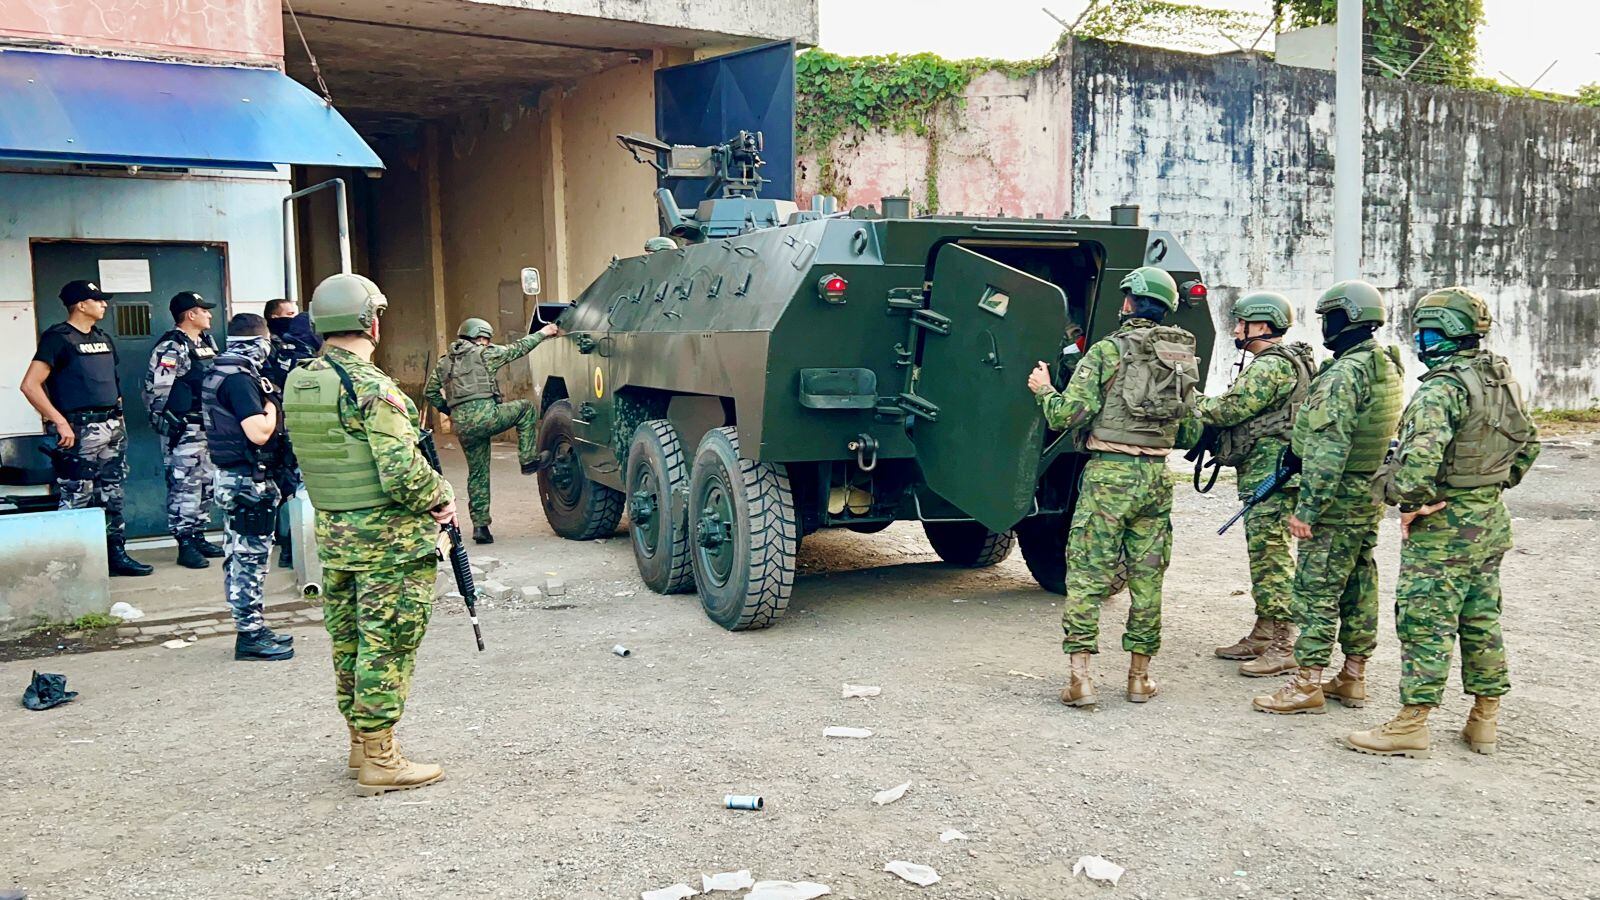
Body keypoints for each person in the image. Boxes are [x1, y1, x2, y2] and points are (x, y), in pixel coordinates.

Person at [1345, 287, 1539, 758]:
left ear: (1447, 332)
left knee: (1425, 622)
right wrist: (1485, 487)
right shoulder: (1499, 377)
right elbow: (1528, 445)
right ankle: (1483, 720)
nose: (1420, 339)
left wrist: (1409, 500)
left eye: (1427, 330)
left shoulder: (1442, 388)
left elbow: (1413, 472)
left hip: (1445, 530)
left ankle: (1412, 723)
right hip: (1489, 518)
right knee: (1480, 618)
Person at [283, 272, 456, 796]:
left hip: (336, 535)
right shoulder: (373, 388)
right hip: (389, 544)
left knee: (351, 640)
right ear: (370, 321)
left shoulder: (304, 380)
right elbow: (402, 473)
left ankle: (361, 745)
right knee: (389, 643)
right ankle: (382, 758)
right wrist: (441, 497)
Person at [1027, 266, 1200, 708]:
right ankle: (1139, 678)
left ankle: (1081, 680)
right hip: (1157, 477)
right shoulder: (1181, 356)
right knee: (1147, 579)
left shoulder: (1109, 350)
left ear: (1128, 303)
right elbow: (1191, 429)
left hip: (1110, 475)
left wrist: (1044, 389)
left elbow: (1069, 414)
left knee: (1087, 575)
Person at [1253, 280, 1403, 716]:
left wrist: (1308, 508)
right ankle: (1352, 675)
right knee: (1359, 583)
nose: (1324, 325)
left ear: (1347, 318)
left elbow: (1327, 447)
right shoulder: (1384, 363)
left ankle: (1306, 684)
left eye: (1329, 316)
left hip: (1335, 496)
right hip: (1366, 492)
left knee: (1315, 590)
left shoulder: (1343, 374)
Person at [1191, 292, 1317, 677]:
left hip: (1272, 476)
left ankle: (1284, 644)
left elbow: (1230, 409)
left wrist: (1189, 400)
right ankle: (1264, 633)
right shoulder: (1292, 361)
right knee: (1265, 555)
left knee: (1271, 560)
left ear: (1261, 325)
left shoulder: (1269, 367)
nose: (1235, 329)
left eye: (1241, 323)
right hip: (1273, 473)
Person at [19, 280, 152, 576]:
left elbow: (111, 382)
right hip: (79, 429)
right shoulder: (59, 338)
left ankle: (114, 555)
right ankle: (73, 566)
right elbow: (30, 385)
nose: (104, 304)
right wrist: (59, 421)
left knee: (112, 495)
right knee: (77, 495)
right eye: (98, 300)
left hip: (112, 426)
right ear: (81, 305)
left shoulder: (102, 337)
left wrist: (119, 418)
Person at [201, 314, 296, 661]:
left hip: (238, 477)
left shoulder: (220, 370)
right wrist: (271, 407)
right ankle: (250, 634)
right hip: (245, 482)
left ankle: (253, 627)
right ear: (258, 342)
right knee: (248, 560)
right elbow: (258, 432)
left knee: (242, 557)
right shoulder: (239, 380)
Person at [423, 317, 563, 545]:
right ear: (478, 337)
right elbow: (518, 349)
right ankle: (528, 460)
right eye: (485, 339)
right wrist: (544, 332)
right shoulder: (484, 354)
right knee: (525, 409)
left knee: (477, 472)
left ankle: (480, 527)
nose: (487, 343)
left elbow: (430, 392)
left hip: (463, 426)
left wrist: (449, 410)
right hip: (487, 417)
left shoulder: (444, 362)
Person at [144, 291, 222, 569]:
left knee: (205, 485)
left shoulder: (205, 342)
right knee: (185, 486)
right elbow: (157, 391)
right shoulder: (171, 347)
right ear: (191, 314)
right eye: (204, 310)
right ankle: (185, 542)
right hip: (185, 428)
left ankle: (198, 534)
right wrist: (166, 426)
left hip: (208, 427)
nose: (209, 315)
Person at [263, 298, 320, 569]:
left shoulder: (274, 350)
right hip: (290, 430)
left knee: (286, 487)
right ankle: (289, 545)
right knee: (293, 487)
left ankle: (286, 544)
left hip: (282, 428)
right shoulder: (298, 352)